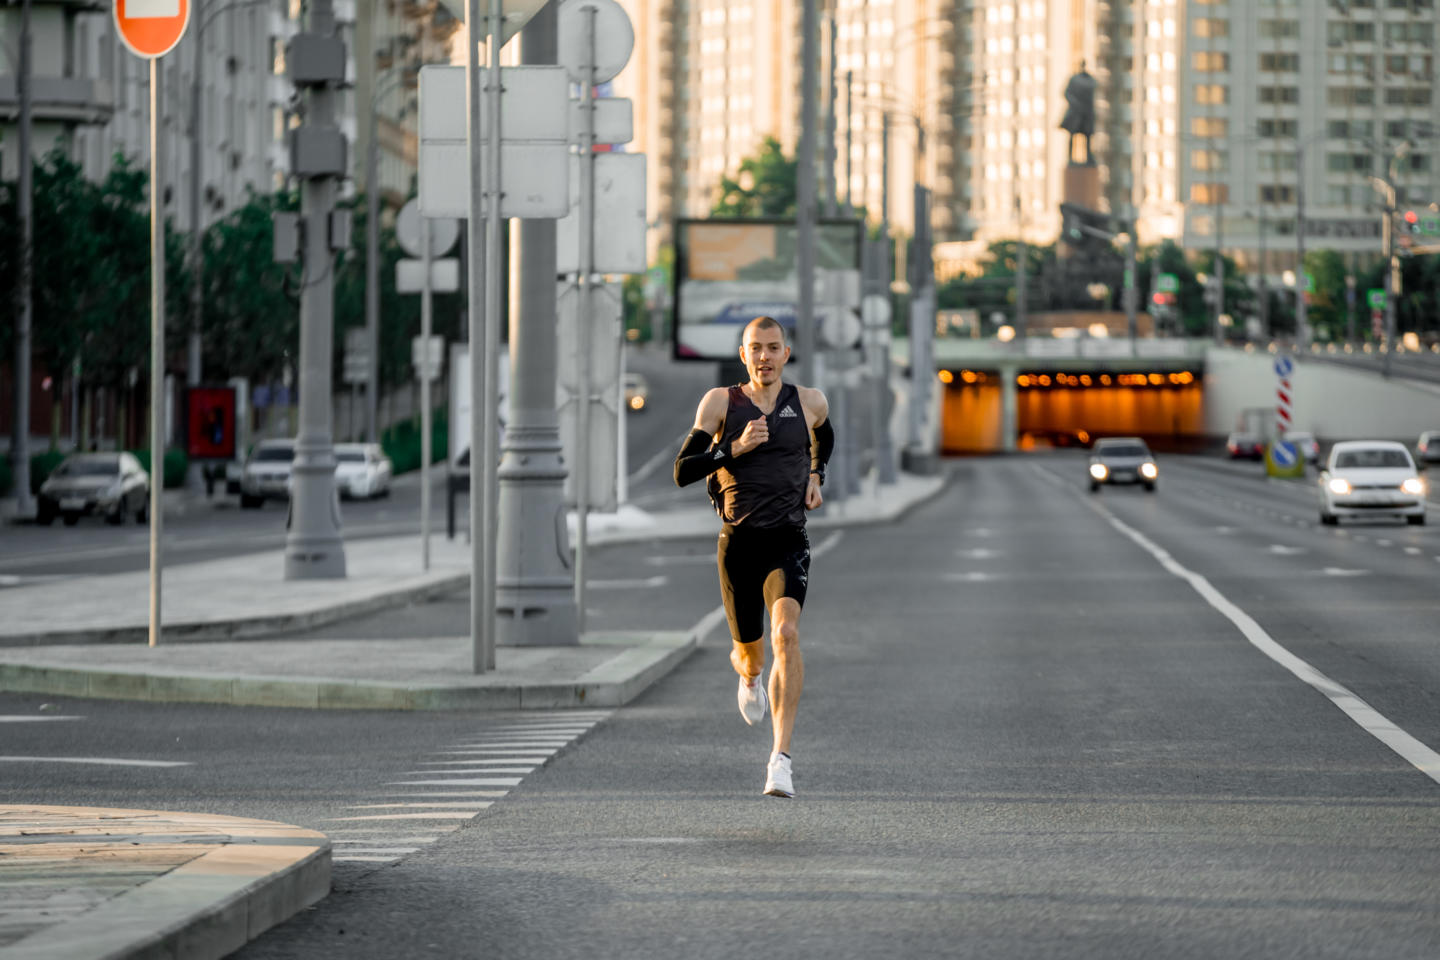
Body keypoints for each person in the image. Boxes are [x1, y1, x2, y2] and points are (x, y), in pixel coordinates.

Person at [673, 315, 834, 798]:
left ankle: (780, 760)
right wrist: (734, 449)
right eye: (755, 348)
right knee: (753, 654)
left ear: (787, 353)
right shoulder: (721, 403)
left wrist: (815, 476)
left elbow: (825, 436)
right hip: (738, 543)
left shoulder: (809, 402)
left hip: (788, 537)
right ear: (743, 355)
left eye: (773, 347)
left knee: (786, 633)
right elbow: (683, 470)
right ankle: (748, 674)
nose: (764, 356)